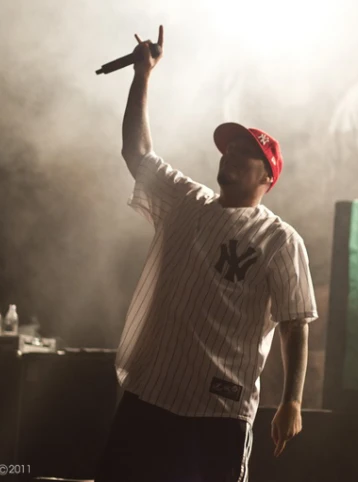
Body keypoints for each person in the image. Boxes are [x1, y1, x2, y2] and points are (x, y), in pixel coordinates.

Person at [96, 25, 318, 482]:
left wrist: (292, 401)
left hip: (218, 411)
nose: (230, 157)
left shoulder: (280, 240)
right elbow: (135, 151)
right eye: (229, 149)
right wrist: (142, 76)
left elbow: (295, 326)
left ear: (267, 177)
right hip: (149, 391)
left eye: (244, 153)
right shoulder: (183, 201)